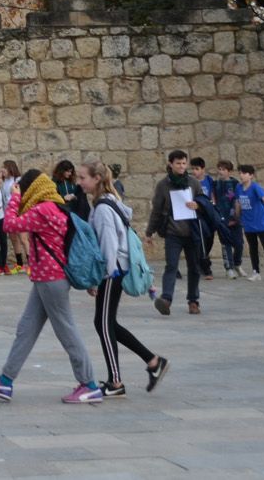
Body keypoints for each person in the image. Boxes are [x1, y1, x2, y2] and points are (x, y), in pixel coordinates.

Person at [0, 168, 102, 404]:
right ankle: (5, 380)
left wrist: (13, 198)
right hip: (45, 279)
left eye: (23, 189)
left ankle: (89, 384)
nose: (21, 193)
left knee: (66, 330)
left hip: (51, 280)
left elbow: (10, 225)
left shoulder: (44, 210)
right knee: (26, 328)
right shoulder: (54, 207)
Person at [80, 161, 166, 397]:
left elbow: (109, 245)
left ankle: (116, 382)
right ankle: (152, 361)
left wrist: (100, 277)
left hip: (113, 271)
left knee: (104, 325)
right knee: (106, 323)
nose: (79, 182)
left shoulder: (104, 208)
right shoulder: (104, 203)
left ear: (96, 178)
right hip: (115, 269)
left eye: (82, 177)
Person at [146, 150, 206, 314]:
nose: (181, 166)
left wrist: (198, 205)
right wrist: (149, 232)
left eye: (183, 163)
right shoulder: (163, 185)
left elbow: (203, 202)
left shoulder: (193, 183)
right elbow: (157, 210)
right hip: (173, 233)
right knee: (171, 266)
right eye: (178, 163)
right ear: (170, 164)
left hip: (192, 231)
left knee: (194, 267)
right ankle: (166, 299)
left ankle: (193, 301)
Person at [236, 165, 264, 281]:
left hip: (261, 223)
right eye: (240, 173)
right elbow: (238, 202)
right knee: (252, 248)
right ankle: (256, 272)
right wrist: (237, 216)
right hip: (248, 223)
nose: (241, 175)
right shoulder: (238, 188)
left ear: (251, 175)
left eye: (244, 173)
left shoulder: (255, 187)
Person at [211, 160, 241, 279]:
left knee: (239, 244)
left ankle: (237, 263)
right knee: (225, 244)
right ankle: (229, 268)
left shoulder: (235, 183)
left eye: (224, 169)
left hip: (234, 217)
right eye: (220, 169)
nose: (221, 172)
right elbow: (213, 198)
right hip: (221, 218)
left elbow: (237, 200)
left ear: (229, 171)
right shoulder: (215, 184)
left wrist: (236, 216)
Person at [187, 158, 216, 279]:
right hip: (196, 214)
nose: (194, 171)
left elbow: (213, 196)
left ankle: (203, 260)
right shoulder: (190, 182)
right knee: (199, 241)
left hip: (208, 213)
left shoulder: (209, 181)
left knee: (209, 239)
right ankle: (204, 266)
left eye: (197, 169)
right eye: (193, 169)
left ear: (203, 169)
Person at [0, 160, 26, 273]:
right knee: (14, 239)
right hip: (8, 213)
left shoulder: (18, 180)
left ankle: (30, 263)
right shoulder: (4, 182)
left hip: (18, 212)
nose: (2, 170)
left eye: (4, 168)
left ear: (10, 168)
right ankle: (19, 263)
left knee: (24, 239)